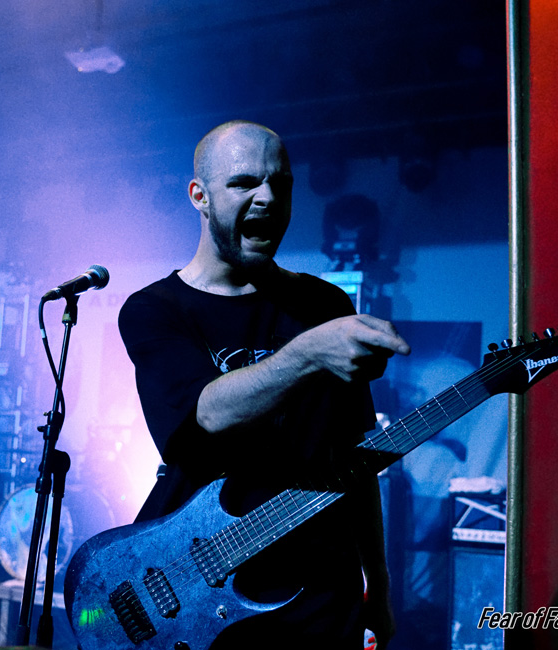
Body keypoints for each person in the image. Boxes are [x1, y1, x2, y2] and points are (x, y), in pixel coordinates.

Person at [117, 120, 410, 648]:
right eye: (244, 182)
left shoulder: (325, 306)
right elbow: (206, 414)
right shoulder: (154, 310)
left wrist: (379, 586)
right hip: (203, 592)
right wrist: (308, 352)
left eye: (282, 184)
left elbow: (358, 461)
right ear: (199, 197)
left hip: (322, 596)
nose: (268, 198)